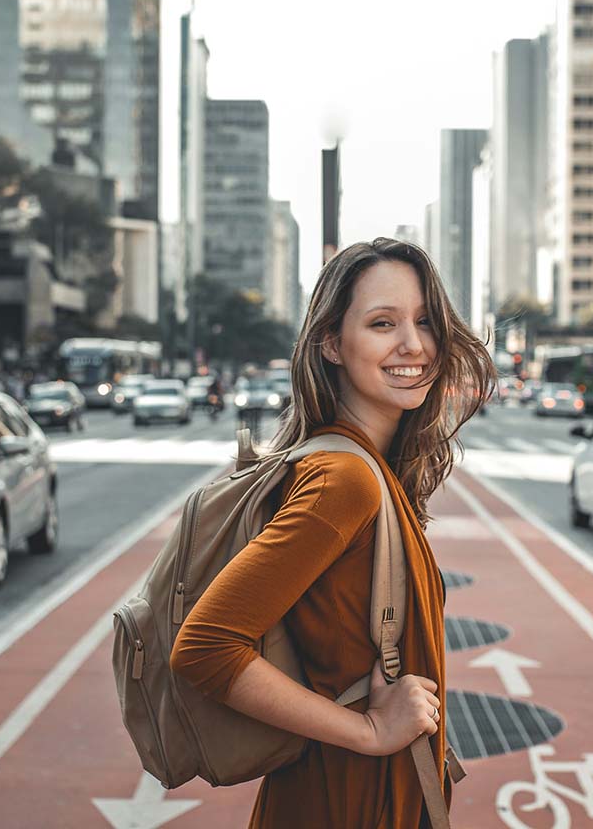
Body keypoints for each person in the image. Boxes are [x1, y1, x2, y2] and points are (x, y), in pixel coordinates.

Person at [170, 238, 494, 828]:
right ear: (331, 344)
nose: (414, 345)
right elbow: (206, 646)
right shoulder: (345, 478)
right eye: (382, 323)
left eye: (425, 321)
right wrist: (369, 731)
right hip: (347, 803)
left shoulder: (366, 466)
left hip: (366, 796)